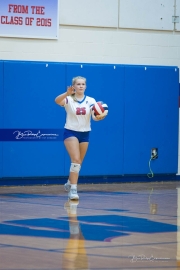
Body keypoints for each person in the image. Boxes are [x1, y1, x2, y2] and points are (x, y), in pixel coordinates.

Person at [55, 76, 105, 200]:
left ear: (86, 86)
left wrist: (99, 116)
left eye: (83, 84)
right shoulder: (68, 99)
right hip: (71, 132)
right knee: (76, 160)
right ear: (74, 86)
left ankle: (69, 182)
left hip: (85, 133)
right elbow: (57, 101)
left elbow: (95, 116)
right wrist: (66, 93)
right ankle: (73, 190)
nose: (81, 86)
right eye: (78, 84)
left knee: (78, 163)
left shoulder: (91, 100)